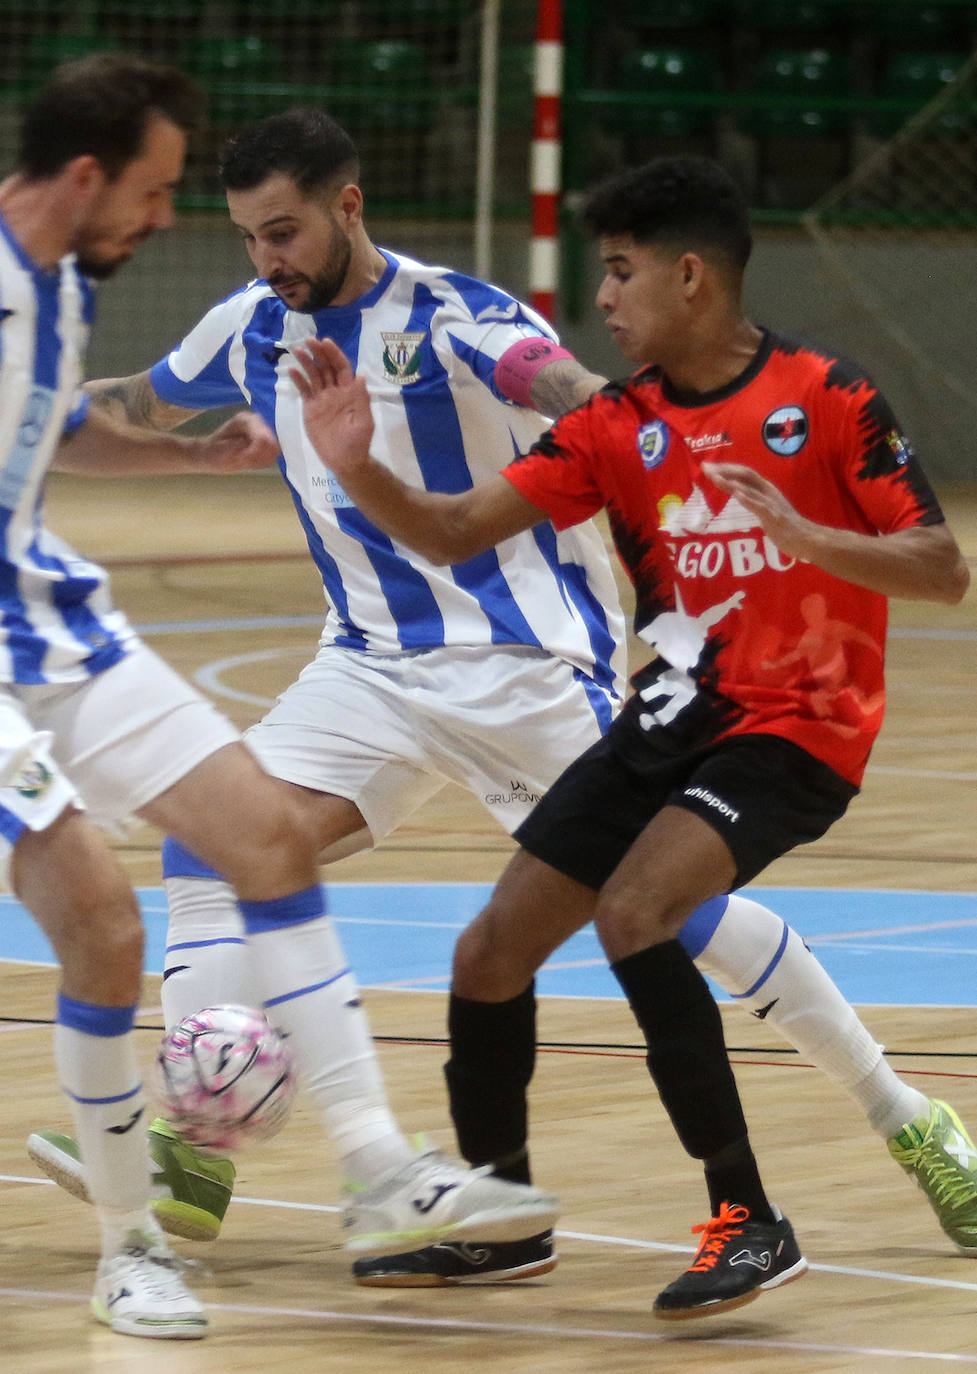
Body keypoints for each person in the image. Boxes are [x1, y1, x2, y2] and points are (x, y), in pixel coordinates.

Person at [28, 113, 977, 1293]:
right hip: (368, 670)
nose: (265, 256)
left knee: (678, 916)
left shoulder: (459, 319)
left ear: (350, 205)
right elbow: (132, 399)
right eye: (248, 237)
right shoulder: (251, 326)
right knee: (211, 846)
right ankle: (198, 1153)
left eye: (284, 231)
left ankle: (909, 1120)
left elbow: (578, 389)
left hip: (526, 671)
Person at [282, 153, 971, 1319]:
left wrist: (807, 538)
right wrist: (357, 467)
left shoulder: (827, 395)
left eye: (617, 273)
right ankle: (500, 1218)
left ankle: (746, 1218)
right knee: (487, 954)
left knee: (635, 913)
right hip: (678, 705)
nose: (598, 302)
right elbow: (453, 533)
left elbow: (940, 570)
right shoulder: (616, 422)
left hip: (802, 724)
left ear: (688, 276)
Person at [3, 59, 557, 1341]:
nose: (165, 220)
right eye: (154, 191)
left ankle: (374, 1169)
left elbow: (55, 430)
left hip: (49, 610)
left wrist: (187, 448)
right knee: (98, 924)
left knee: (248, 833)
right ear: (88, 178)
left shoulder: (61, 282)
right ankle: (133, 1245)